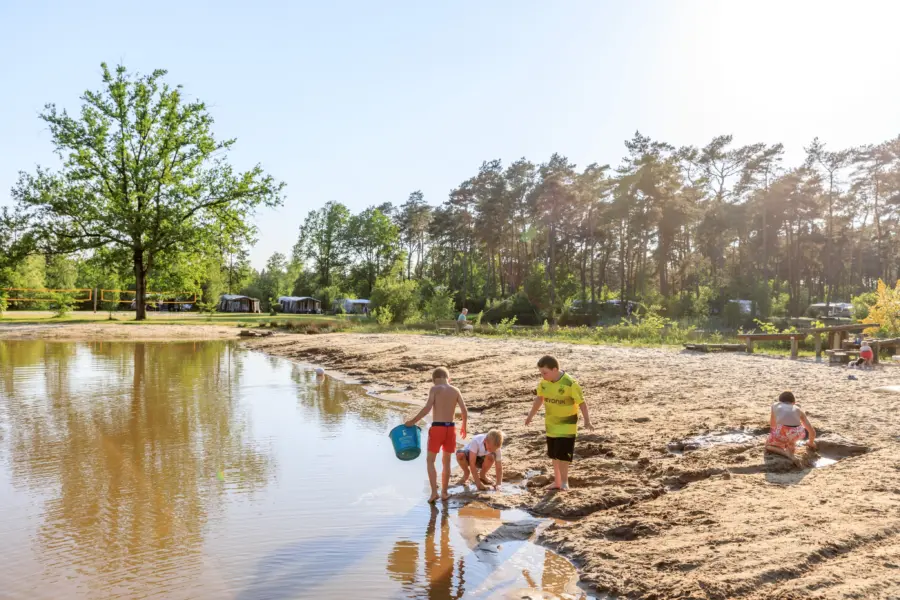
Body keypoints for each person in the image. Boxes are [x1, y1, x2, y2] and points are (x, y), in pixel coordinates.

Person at [525, 355, 594, 491]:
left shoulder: (570, 383)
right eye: (541, 373)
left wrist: (587, 420)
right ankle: (557, 481)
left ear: (555, 369)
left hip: (567, 426)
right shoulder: (544, 383)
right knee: (554, 455)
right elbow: (539, 399)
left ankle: (564, 482)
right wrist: (530, 416)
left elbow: (582, 403)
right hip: (551, 425)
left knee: (563, 455)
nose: (542, 376)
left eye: (545, 373)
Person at [405, 367, 468, 502]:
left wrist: (413, 421)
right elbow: (464, 411)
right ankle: (444, 492)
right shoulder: (455, 390)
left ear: (434, 380)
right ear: (448, 378)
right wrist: (464, 426)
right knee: (447, 462)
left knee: (430, 460)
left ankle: (434, 492)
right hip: (451, 428)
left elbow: (427, 408)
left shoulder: (434, 389)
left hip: (438, 428)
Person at [766, 391, 817, 463]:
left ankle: (786, 453)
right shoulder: (799, 410)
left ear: (779, 402)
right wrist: (811, 442)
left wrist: (772, 434)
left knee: (768, 446)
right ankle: (791, 445)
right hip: (797, 433)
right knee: (792, 433)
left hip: (784, 432)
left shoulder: (775, 406)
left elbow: (773, 424)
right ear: (794, 403)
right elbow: (812, 431)